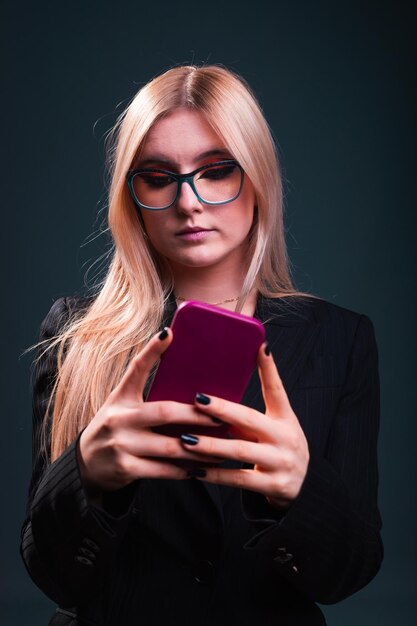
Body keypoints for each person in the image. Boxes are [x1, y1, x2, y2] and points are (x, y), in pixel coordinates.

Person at [20, 64, 383, 626]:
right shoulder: (76, 336)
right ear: (132, 196)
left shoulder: (339, 338)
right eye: (158, 176)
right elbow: (53, 575)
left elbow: (349, 573)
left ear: (257, 175)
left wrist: (301, 491)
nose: (188, 201)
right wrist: (87, 471)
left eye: (216, 171)